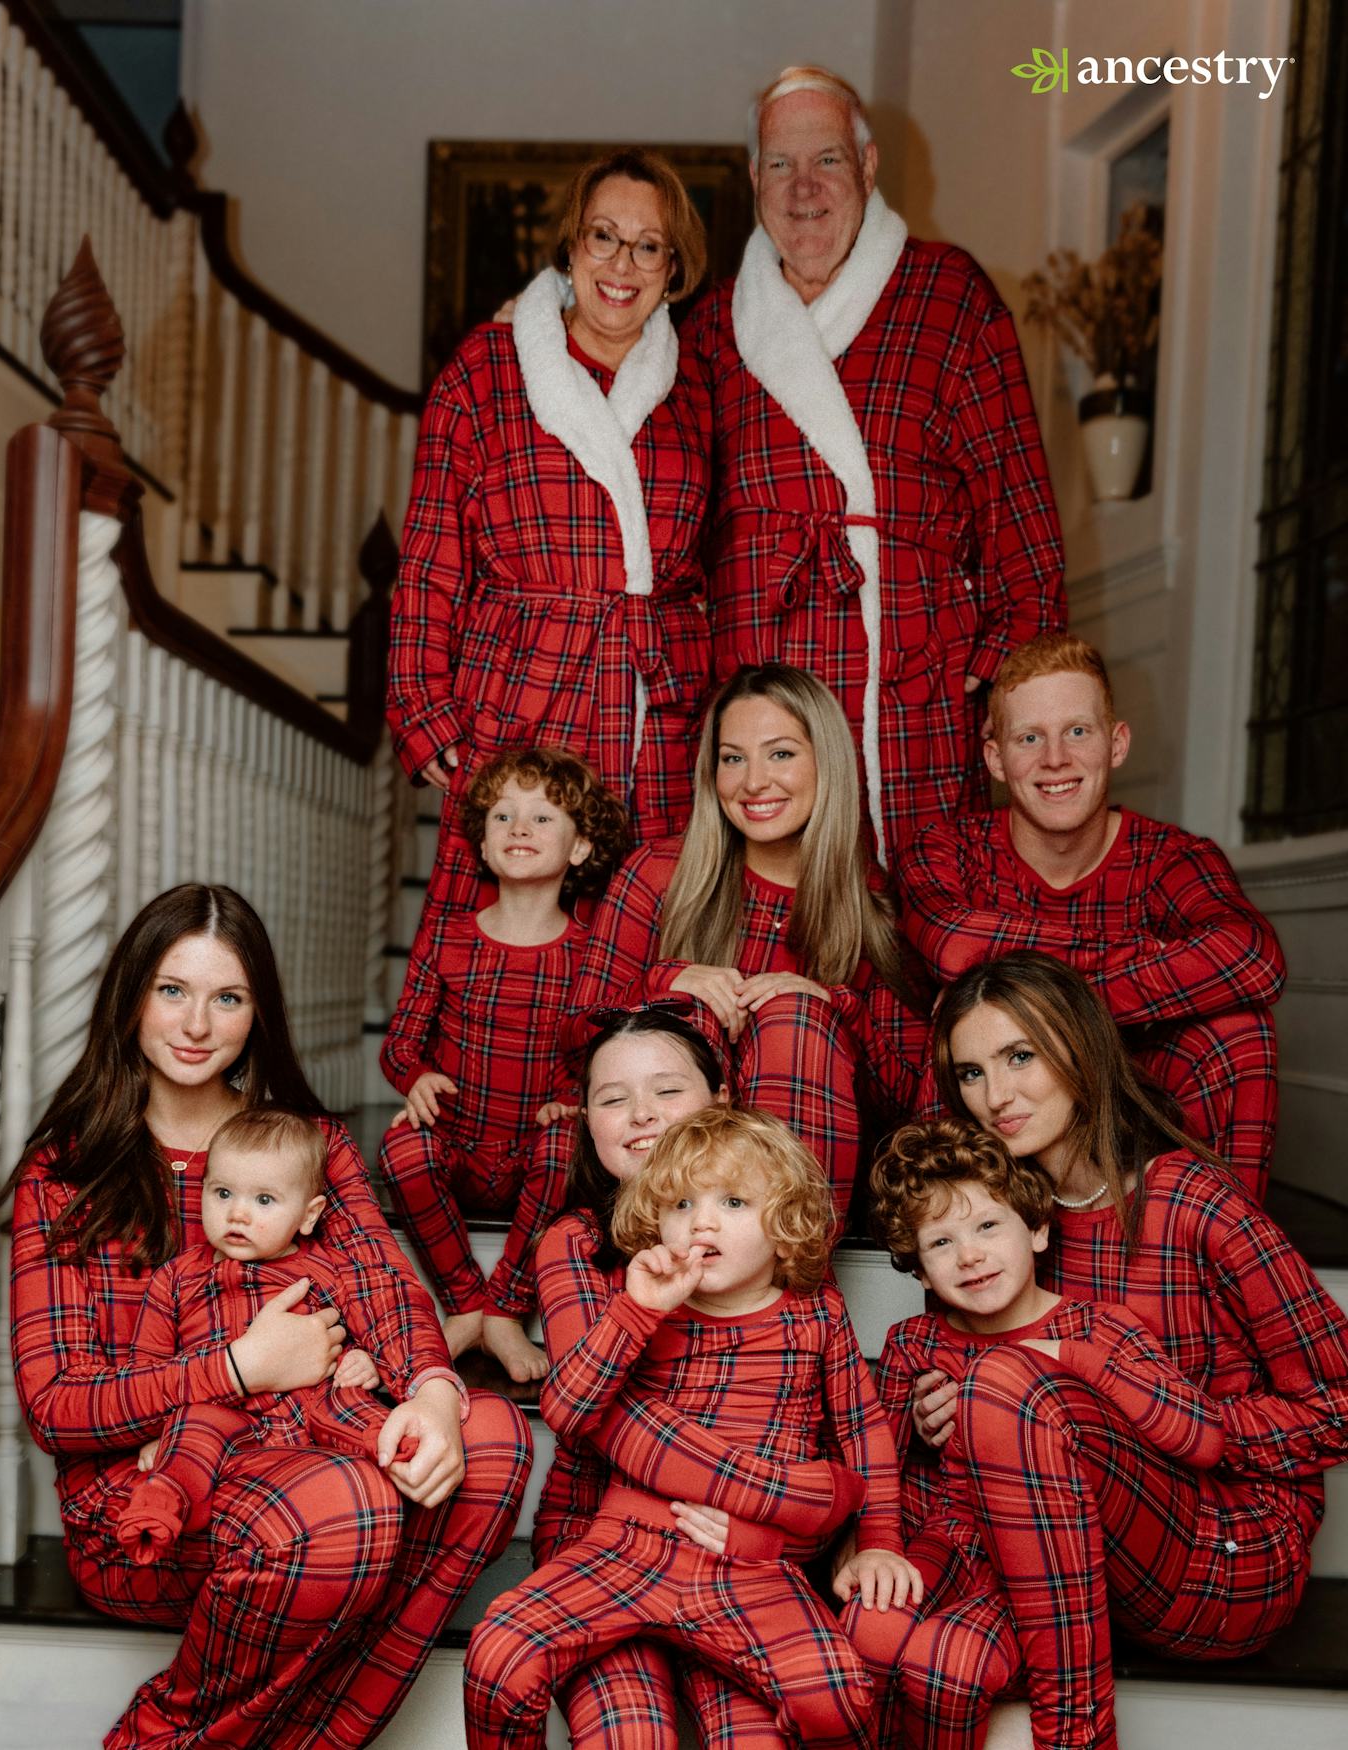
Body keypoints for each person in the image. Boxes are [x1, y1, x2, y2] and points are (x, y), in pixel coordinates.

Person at [7, 884, 530, 1750]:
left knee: (493, 1442)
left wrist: (433, 1394)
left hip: (311, 1442)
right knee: (351, 1504)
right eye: (172, 990)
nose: (196, 1024)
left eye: (228, 997)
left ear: (258, 1015)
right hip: (150, 1502)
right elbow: (55, 1403)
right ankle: (156, 1738)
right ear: (130, 995)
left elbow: (387, 1288)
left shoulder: (308, 1146)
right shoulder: (68, 1171)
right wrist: (240, 1368)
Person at [914, 949, 1348, 1750]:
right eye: (971, 1073)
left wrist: (1185, 1418)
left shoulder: (1188, 1200)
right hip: (1069, 1564)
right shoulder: (986, 1224)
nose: (997, 1097)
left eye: (1020, 1056)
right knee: (926, 1647)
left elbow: (1339, 1405)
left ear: (1080, 1047)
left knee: (1009, 1387)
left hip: (1225, 1546)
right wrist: (934, 1412)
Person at [682, 65, 1065, 863]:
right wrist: (537, 330)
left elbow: (1020, 523)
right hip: (766, 700)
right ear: (755, 179)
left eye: (826, 159)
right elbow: (644, 474)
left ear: (868, 165)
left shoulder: (949, 295)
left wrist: (986, 676)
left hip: (912, 694)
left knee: (918, 934)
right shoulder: (713, 328)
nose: (803, 187)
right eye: (780, 165)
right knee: (774, 940)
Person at [466, 1104, 916, 1750]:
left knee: (837, 1702)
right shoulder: (643, 1298)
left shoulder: (816, 1313)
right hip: (629, 1545)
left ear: (785, 1221)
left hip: (749, 1562)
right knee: (499, 1655)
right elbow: (566, 1412)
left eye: (732, 1202)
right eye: (680, 1205)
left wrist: (878, 1538)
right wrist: (636, 1312)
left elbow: (864, 1433)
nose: (702, 1221)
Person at [388, 146, 713, 937]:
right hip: (519, 695)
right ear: (569, 248)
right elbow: (431, 556)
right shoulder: (485, 371)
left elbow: (717, 563)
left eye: (648, 245)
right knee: (508, 944)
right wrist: (420, 704)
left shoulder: (699, 388)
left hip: (654, 715)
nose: (622, 264)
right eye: (603, 235)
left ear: (673, 269)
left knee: (640, 944)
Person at [850, 1116, 1225, 1750]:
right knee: (869, 1634)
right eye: (939, 1244)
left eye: (988, 1226)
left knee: (948, 1668)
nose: (969, 1255)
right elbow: (875, 1474)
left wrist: (1073, 1361)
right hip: (952, 1548)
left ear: (1039, 1228)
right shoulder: (913, 1343)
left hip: (1053, 1566)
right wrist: (914, 1428)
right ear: (916, 1270)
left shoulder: (1100, 1330)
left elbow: (1204, 1440)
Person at [894, 633, 1284, 1199]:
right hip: (1001, 1100)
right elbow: (952, 943)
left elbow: (1252, 957)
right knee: (963, 1035)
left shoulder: (1172, 857)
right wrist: (1140, 966)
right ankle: (973, 1250)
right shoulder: (948, 849)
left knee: (1239, 1031)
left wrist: (1034, 996)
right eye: (1030, 738)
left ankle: (1217, 1249)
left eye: (1078, 731)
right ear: (996, 758)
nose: (1056, 759)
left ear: (1116, 743)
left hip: (1133, 1097)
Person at [565, 662, 926, 1213]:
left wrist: (832, 1005)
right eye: (733, 758)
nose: (753, 781)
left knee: (791, 1014)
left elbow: (908, 1096)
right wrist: (668, 980)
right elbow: (575, 1041)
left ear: (824, 761)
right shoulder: (659, 871)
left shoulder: (867, 899)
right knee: (691, 1010)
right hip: (660, 1189)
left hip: (800, 1197)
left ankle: (784, 1280)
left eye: (780, 753)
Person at [378, 746, 629, 1382]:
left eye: (543, 818)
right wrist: (416, 1078)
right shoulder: (450, 937)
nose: (519, 827)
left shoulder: (587, 953)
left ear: (578, 850)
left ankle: (507, 1308)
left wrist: (575, 1095)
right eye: (502, 817)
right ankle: (467, 1302)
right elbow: (399, 1043)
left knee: (567, 1146)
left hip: (535, 1161)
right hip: (459, 1143)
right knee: (401, 1149)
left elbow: (601, 1053)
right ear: (484, 847)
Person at [117, 1107, 430, 1564]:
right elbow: (149, 1367)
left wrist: (367, 1363)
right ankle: (160, 1506)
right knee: (192, 1431)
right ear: (201, 1192)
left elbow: (368, 1326)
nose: (238, 1213)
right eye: (223, 1193)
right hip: (224, 1411)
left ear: (309, 1215)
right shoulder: (179, 1278)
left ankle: (401, 1452)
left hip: (310, 1405)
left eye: (264, 1200)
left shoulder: (328, 1270)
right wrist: (157, 1435)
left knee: (351, 1405)